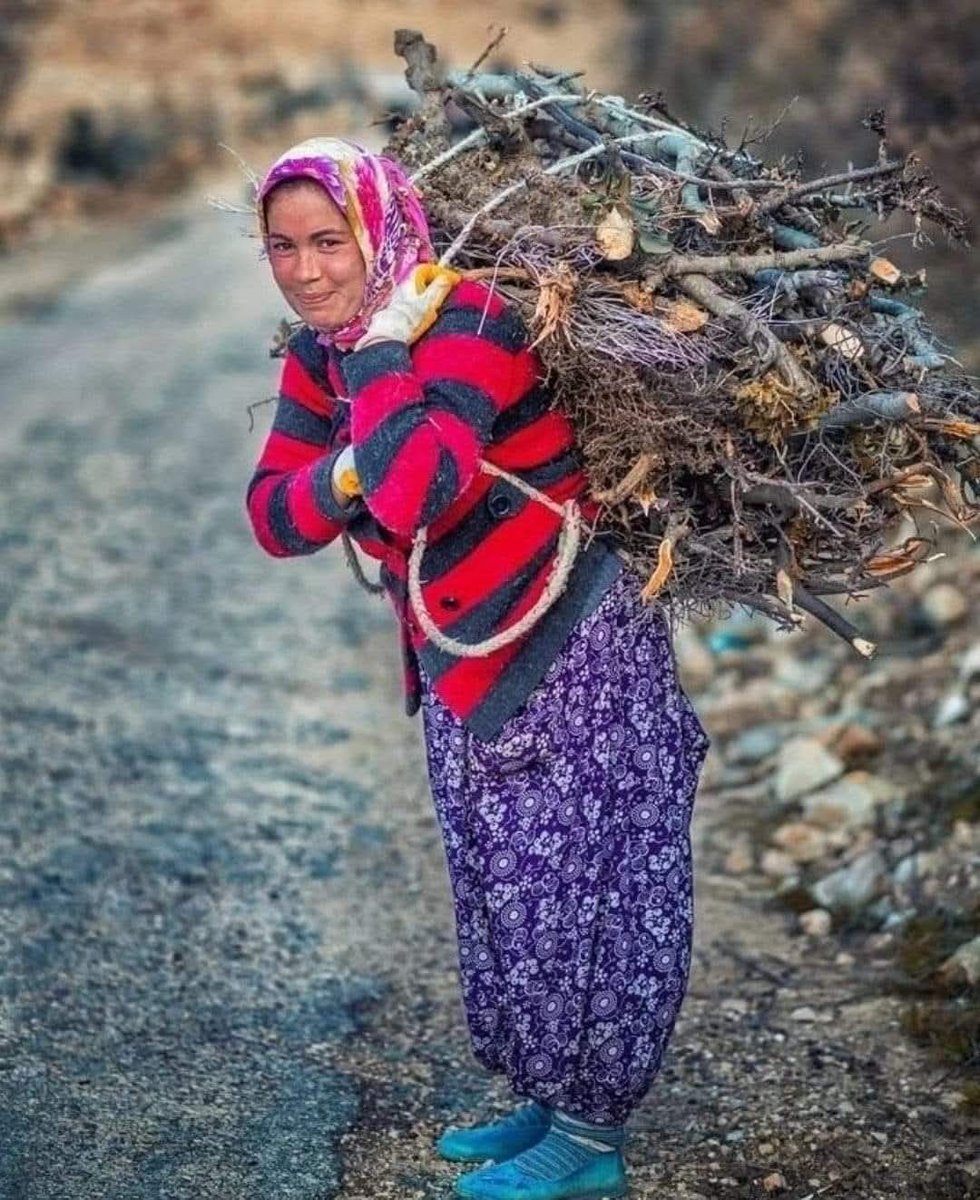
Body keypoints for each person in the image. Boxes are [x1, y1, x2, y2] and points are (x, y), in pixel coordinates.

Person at [246, 137, 709, 1200]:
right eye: (284, 247)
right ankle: (546, 1099)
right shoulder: (322, 352)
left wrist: (377, 370)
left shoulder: (468, 324)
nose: (308, 271)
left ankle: (590, 1134)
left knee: (586, 885)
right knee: (501, 884)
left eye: (331, 241)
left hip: (571, 647)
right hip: (459, 660)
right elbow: (273, 514)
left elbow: (419, 497)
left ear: (380, 228)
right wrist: (354, 454)